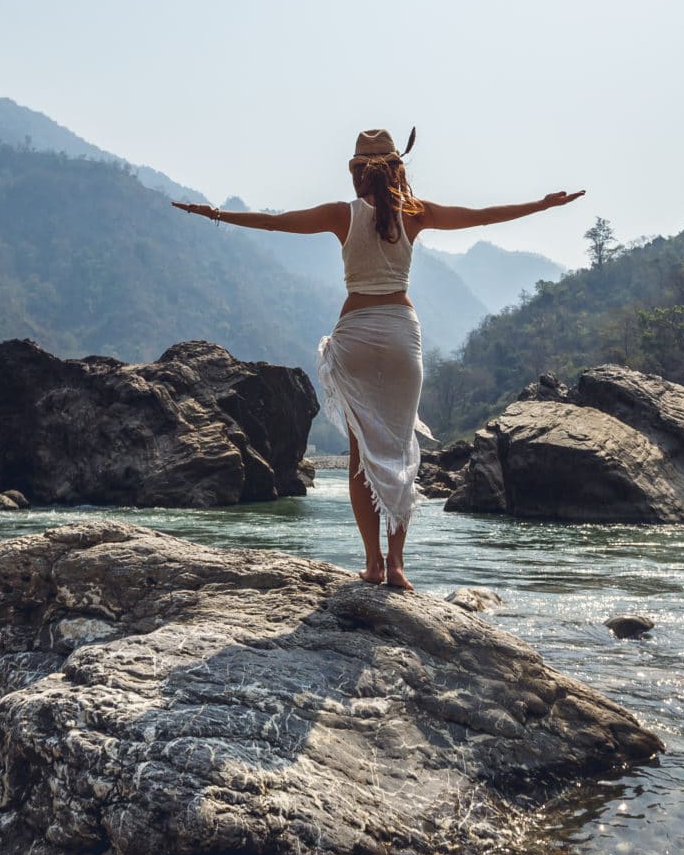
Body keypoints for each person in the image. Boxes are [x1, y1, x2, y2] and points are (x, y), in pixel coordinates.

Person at [173, 128, 584, 590]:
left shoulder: (341, 215)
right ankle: (397, 566)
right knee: (400, 448)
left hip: (355, 335)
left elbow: (275, 222)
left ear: (357, 172)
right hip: (400, 335)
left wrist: (215, 213)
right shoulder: (417, 213)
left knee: (360, 455)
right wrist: (541, 205)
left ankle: (371, 564)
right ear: (397, 169)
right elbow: (482, 218)